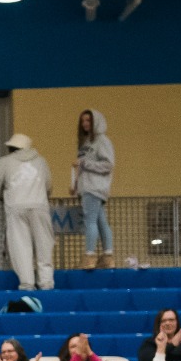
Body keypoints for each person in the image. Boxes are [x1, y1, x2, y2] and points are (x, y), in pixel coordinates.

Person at [0, 134, 54, 292]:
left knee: (20, 247)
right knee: (44, 245)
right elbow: (48, 186)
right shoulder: (41, 161)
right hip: (39, 206)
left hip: (16, 207)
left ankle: (27, 284)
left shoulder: (3, 162)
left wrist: (2, 197)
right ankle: (46, 283)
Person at [69, 108, 115, 268]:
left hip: (94, 186)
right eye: (83, 121)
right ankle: (108, 255)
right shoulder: (85, 143)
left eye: (88, 120)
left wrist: (85, 164)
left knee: (90, 221)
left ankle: (89, 256)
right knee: (101, 221)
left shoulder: (102, 141)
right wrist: (75, 185)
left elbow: (108, 164)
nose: (85, 124)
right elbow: (81, 166)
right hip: (86, 186)